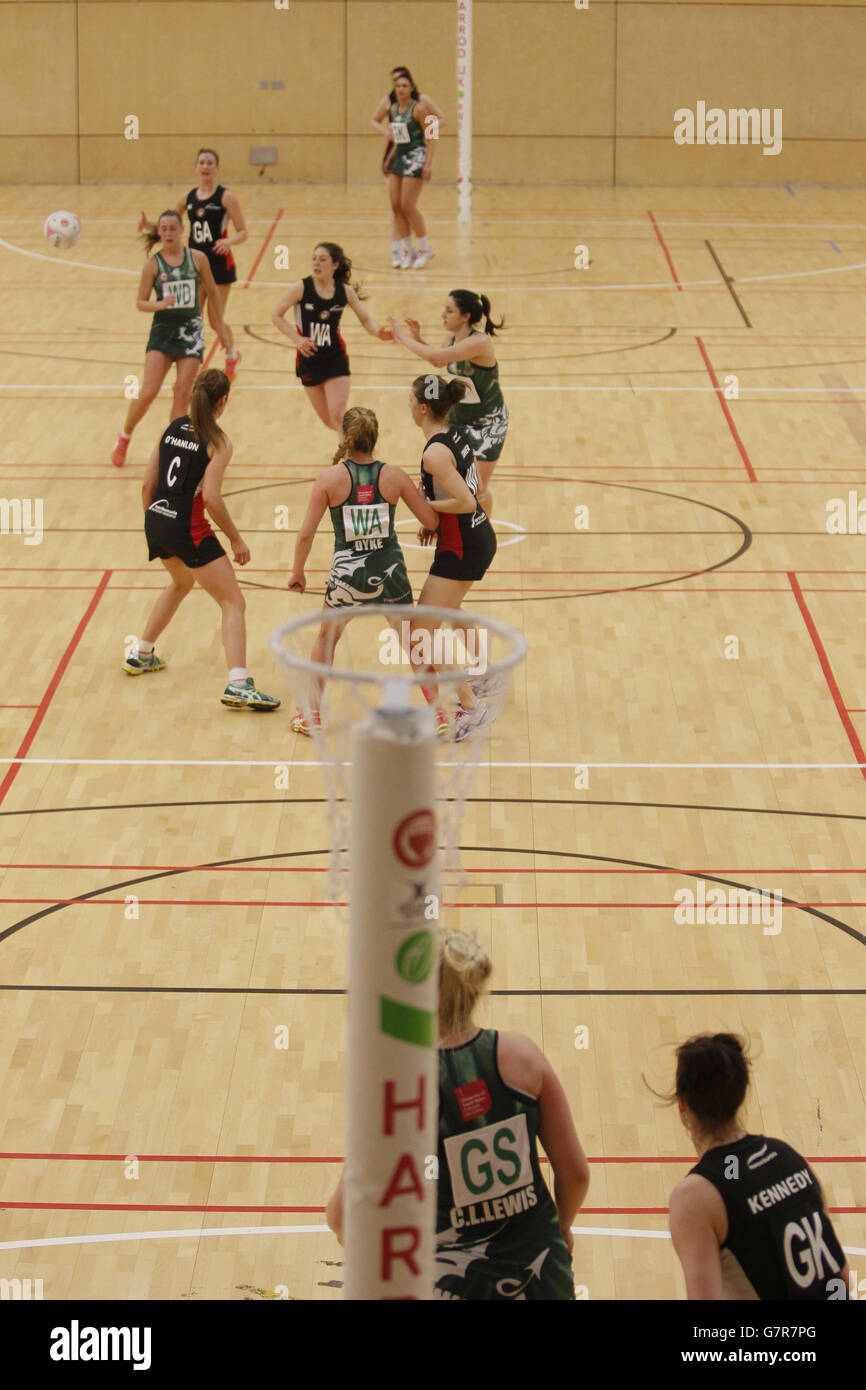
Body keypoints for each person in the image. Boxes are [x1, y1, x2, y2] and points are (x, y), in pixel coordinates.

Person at [326, 928, 590, 1300]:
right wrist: (559, 1227)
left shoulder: (402, 1090)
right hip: (540, 1276)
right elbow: (576, 1174)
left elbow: (342, 1217)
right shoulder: (521, 1056)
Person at [123, 368, 280, 712]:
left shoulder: (171, 427)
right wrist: (236, 540)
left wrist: (155, 521)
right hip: (188, 527)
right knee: (233, 602)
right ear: (223, 401)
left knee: (180, 582)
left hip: (157, 519)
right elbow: (210, 497)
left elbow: (147, 485)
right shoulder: (218, 441)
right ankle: (238, 684)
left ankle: (141, 652)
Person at [286, 405, 440, 735]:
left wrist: (298, 572)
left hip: (346, 576)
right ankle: (439, 713)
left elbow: (305, 534)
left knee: (327, 639)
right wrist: (425, 496)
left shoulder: (329, 479)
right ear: (375, 439)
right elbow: (431, 520)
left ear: (345, 437)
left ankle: (311, 714)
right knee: (414, 641)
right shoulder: (394, 475)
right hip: (389, 571)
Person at [665, 1033, 850, 1300]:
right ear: (741, 1093)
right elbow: (840, 1277)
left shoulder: (695, 1197)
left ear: (682, 1104)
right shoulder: (788, 1157)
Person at [404, 374, 497, 741]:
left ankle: (471, 708)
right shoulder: (454, 434)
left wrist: (425, 506)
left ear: (423, 407)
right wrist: (438, 519)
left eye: (410, 400)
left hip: (462, 546)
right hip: (472, 536)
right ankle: (484, 673)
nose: (408, 405)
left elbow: (466, 500)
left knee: (420, 634)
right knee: (450, 611)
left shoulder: (434, 453)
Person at [111, 211, 229, 468]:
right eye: (163, 229)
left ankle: (173, 450)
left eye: (172, 228)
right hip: (163, 331)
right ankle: (125, 435)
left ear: (181, 230)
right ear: (159, 232)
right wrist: (160, 304)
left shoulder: (197, 259)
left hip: (191, 332)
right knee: (149, 391)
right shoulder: (153, 265)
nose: (167, 233)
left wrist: (219, 325)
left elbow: (212, 291)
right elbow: (140, 302)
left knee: (182, 393)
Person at [388, 291, 508, 510]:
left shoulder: (480, 342)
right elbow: (439, 359)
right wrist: (418, 338)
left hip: (488, 422)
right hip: (460, 418)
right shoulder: (452, 338)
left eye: (449, 310)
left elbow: (436, 357)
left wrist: (402, 337)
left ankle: (486, 538)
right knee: (458, 484)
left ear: (465, 316)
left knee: (478, 489)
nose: (443, 314)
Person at [138, 147, 247, 381]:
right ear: (196, 168)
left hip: (219, 265)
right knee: (191, 318)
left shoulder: (226, 197)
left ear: (216, 168)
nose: (206, 167)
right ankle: (189, 366)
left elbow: (243, 232)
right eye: (202, 163)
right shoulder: (186, 198)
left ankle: (231, 354)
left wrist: (228, 241)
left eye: (210, 163)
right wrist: (148, 224)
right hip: (192, 267)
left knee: (216, 319)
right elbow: (166, 226)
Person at [271, 243, 391, 435]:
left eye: (322, 259)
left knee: (338, 415)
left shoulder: (344, 291)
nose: (316, 263)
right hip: (309, 361)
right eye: (314, 258)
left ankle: (352, 462)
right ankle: (356, 446)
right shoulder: (301, 288)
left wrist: (378, 332)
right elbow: (276, 315)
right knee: (330, 422)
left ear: (335, 265)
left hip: (335, 358)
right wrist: (298, 339)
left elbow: (366, 318)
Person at [370, 67, 445, 269]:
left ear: (411, 87)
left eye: (404, 85)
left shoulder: (420, 108)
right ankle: (407, 249)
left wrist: (428, 163)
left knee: (407, 205)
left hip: (416, 156)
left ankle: (424, 248)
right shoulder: (393, 110)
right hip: (399, 156)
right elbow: (399, 138)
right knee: (395, 205)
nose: (400, 89)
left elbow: (432, 136)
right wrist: (390, 158)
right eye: (397, 86)